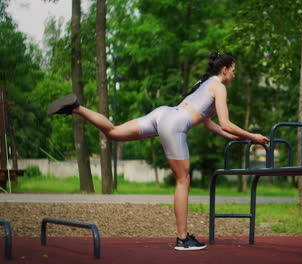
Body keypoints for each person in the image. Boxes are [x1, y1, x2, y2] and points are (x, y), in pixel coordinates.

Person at [47, 52, 270, 251]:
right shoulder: (219, 87)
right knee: (183, 181)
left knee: (113, 132)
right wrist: (253, 136)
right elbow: (226, 123)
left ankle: (76, 107)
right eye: (233, 70)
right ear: (224, 69)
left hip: (162, 114)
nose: (234, 75)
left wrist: (233, 136)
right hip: (174, 124)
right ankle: (183, 239)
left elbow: (209, 123)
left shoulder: (205, 83)